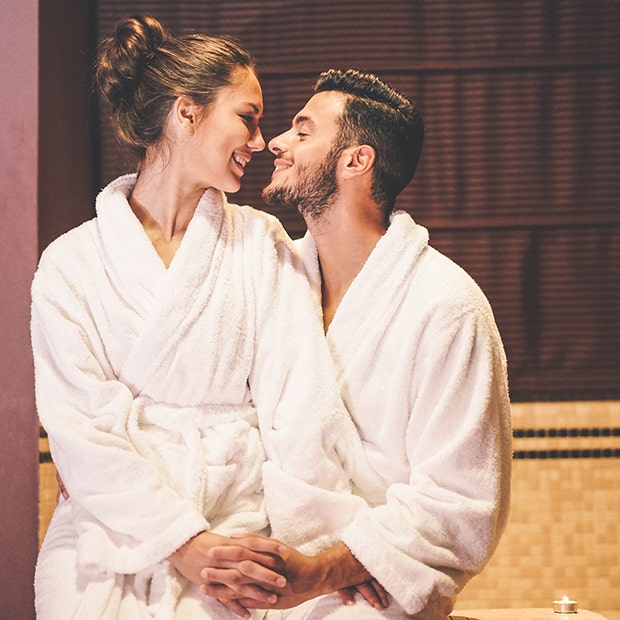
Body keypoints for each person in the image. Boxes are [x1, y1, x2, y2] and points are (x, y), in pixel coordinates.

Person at [31, 19, 377, 619]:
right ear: (187, 113)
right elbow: (82, 431)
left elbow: (299, 408)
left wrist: (332, 555)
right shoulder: (70, 265)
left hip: (236, 519)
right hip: (113, 527)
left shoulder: (261, 242)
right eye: (247, 116)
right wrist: (183, 544)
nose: (260, 139)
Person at [200, 69, 513, 619]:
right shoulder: (273, 281)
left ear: (354, 161)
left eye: (302, 131)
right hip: (260, 583)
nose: (275, 142)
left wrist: (327, 570)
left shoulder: (445, 307)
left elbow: (462, 506)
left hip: (374, 596)